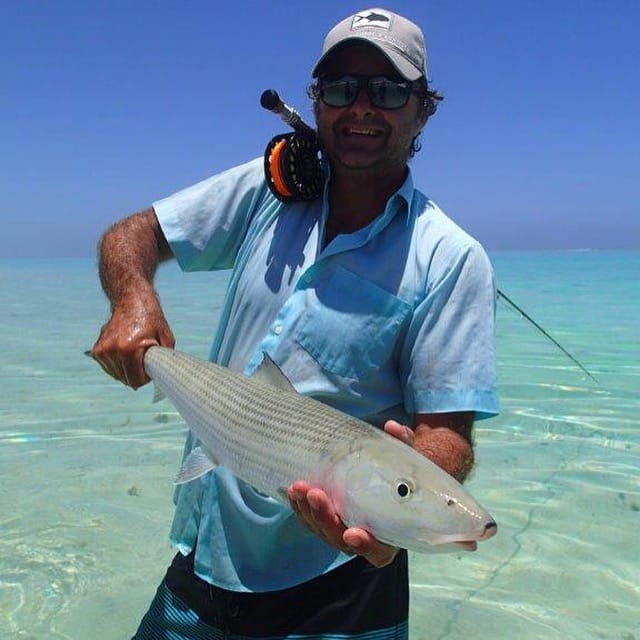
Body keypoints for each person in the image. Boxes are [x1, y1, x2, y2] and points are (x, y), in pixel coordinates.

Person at [90, 7, 499, 640]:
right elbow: (132, 235)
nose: (361, 107)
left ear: (424, 110)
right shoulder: (264, 191)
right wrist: (132, 299)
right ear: (318, 102)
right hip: (202, 560)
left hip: (341, 594)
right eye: (341, 89)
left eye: (389, 91)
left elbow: (447, 435)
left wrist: (408, 480)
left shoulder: (451, 257)